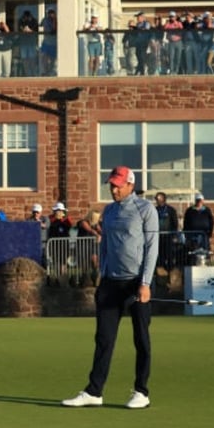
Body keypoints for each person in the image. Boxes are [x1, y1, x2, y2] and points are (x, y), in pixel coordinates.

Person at [63, 166, 157, 410]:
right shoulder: (110, 210)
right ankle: (94, 391)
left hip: (137, 282)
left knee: (141, 339)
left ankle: (141, 391)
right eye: (111, 184)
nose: (113, 189)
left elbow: (152, 248)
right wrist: (102, 276)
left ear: (130, 185)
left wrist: (145, 283)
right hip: (110, 283)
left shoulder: (146, 209)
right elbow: (104, 246)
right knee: (103, 339)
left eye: (117, 185)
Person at [153, 193, 180, 270]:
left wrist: (175, 235)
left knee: (169, 254)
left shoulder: (171, 210)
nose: (157, 201)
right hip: (158, 236)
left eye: (158, 199)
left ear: (163, 199)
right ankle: (160, 270)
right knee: (159, 254)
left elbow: (175, 223)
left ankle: (170, 270)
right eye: (156, 199)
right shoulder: (155, 210)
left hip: (168, 236)